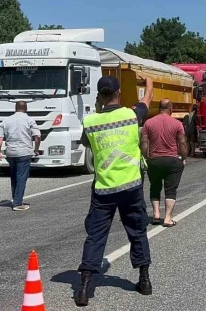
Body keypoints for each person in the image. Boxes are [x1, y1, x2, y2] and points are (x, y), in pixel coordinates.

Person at [75, 74, 154, 306]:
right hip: (131, 186)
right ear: (119, 93)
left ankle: (85, 287)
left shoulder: (90, 122)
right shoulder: (131, 115)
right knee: (137, 231)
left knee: (96, 235)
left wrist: (99, 109)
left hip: (104, 189)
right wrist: (147, 81)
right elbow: (148, 98)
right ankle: (144, 280)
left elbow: (87, 144)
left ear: (99, 96)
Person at [140, 99, 188, 227]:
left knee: (155, 187)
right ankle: (167, 218)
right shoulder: (177, 124)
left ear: (159, 108)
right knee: (170, 189)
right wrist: (184, 157)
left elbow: (144, 143)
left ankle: (156, 214)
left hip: (154, 161)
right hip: (172, 160)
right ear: (170, 109)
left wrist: (145, 158)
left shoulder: (148, 123)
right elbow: (182, 143)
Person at [0, 101, 40, 211]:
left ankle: (15, 198)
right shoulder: (29, 120)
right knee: (21, 177)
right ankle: (18, 203)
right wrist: (36, 149)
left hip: (10, 153)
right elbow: (37, 136)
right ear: (26, 108)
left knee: (14, 176)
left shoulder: (6, 120)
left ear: (15, 108)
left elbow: (0, 138)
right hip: (24, 152)